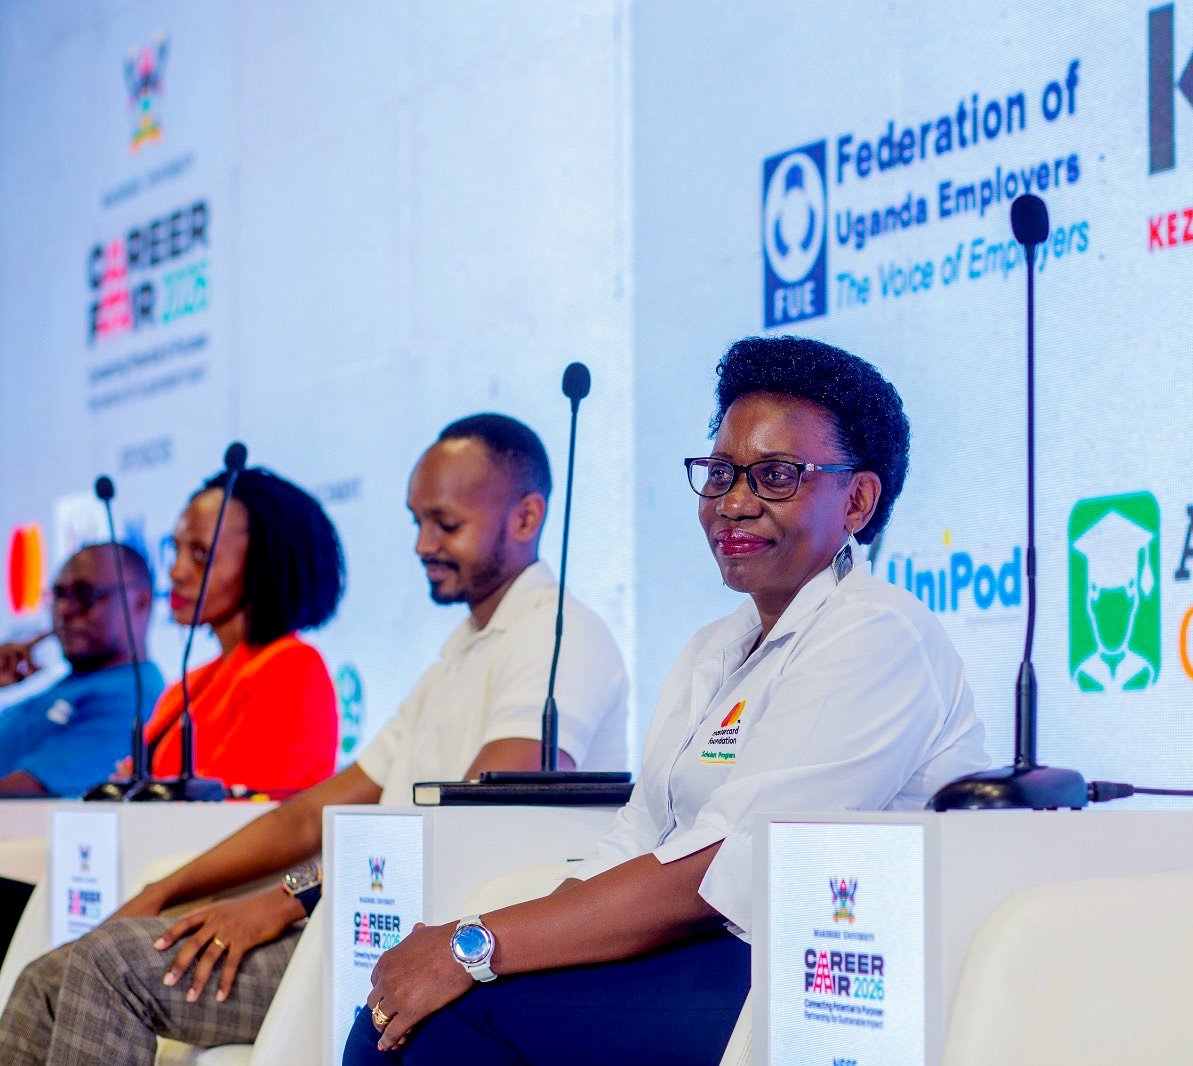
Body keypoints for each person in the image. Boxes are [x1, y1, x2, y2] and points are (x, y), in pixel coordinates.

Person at [343, 337, 987, 1064]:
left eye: (775, 476)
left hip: (818, 977)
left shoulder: (877, 631)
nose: (734, 502)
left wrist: (475, 949)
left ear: (858, 500)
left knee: (452, 1023)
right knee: (400, 1016)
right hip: (703, 952)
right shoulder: (713, 648)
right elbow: (638, 836)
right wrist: (501, 939)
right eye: (719, 473)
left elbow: (724, 868)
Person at [0, 413, 629, 1065]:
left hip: (431, 949)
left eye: (445, 524)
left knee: (111, 966)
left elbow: (474, 818)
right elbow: (307, 814)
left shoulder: (560, 638)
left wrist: (283, 900)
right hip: (362, 919)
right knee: (49, 977)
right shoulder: (455, 661)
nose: (421, 544)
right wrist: (165, 891)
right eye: (416, 522)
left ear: (526, 518)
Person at [133, 465, 345, 795]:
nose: (176, 572)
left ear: (266, 561)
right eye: (176, 550)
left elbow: (246, 808)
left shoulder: (292, 670)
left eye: (201, 554)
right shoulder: (190, 684)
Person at [0, 544, 163, 797]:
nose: (65, 610)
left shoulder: (133, 695)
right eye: (59, 595)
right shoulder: (73, 683)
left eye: (85, 595)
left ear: (140, 601)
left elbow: (24, 792)